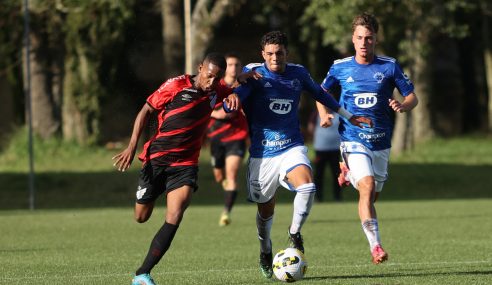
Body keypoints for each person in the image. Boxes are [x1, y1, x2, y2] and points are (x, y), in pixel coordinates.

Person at [223, 31, 372, 279]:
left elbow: (320, 94)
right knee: (265, 212)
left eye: (279, 53)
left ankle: (294, 232)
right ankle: (265, 249)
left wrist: (349, 116)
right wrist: (231, 100)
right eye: (269, 54)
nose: (274, 58)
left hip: (291, 146)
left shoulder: (298, 73)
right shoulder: (254, 75)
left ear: (286, 53)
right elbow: (236, 98)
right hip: (262, 154)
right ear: (263, 54)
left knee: (308, 187)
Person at [112, 53, 232, 285]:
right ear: (200, 68)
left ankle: (142, 274)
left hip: (185, 164)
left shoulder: (217, 90)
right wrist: (131, 146)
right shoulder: (176, 85)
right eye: (208, 76)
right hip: (157, 159)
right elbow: (145, 110)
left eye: (216, 79)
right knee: (141, 217)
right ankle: (153, 194)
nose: (211, 83)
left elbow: (236, 84)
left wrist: (240, 85)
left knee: (175, 214)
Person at [319, 12, 419, 265]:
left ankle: (348, 174)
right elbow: (320, 92)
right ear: (353, 39)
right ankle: (376, 247)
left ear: (376, 39)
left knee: (371, 194)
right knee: (368, 187)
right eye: (360, 38)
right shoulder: (340, 67)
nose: (364, 43)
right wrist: (325, 115)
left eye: (369, 38)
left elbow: (412, 96)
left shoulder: (389, 66)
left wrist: (403, 106)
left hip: (381, 142)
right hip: (352, 139)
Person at [206, 53, 248, 226]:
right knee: (219, 176)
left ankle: (226, 213)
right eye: (230, 64)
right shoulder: (215, 86)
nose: (234, 68)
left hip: (237, 137)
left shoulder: (245, 86)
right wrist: (216, 113)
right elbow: (206, 109)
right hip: (216, 139)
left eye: (237, 64)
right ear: (224, 68)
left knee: (232, 175)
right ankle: (224, 182)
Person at [308, 110, 342, 202]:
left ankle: (337, 197)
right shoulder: (316, 113)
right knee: (319, 174)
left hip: (335, 148)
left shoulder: (338, 114)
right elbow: (311, 127)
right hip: (320, 149)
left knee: (337, 174)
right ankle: (318, 198)